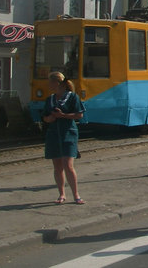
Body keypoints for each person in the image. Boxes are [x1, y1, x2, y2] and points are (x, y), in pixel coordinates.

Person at [42, 72, 85, 204]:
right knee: (57, 166)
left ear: (58, 83)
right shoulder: (50, 99)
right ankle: (61, 194)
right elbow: (45, 117)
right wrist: (51, 118)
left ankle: (76, 195)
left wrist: (63, 116)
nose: (49, 85)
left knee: (68, 165)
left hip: (68, 133)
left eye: (50, 82)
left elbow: (79, 115)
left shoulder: (72, 97)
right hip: (53, 134)